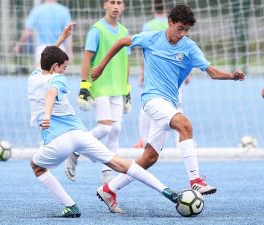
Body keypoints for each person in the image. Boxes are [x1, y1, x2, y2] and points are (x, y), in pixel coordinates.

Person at [91, 4, 245, 212]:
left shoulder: (189, 47)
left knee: (149, 158)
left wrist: (231, 76)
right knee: (185, 124)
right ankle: (195, 180)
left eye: (186, 30)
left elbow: (211, 72)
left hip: (168, 103)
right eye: (180, 28)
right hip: (152, 100)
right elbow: (121, 42)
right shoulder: (151, 38)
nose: (183, 34)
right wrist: (101, 65)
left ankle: (109, 189)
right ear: (170, 23)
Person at [28, 23, 181, 217]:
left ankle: (71, 206)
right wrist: (48, 115)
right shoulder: (58, 79)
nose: (65, 71)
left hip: (58, 141)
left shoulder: (34, 77)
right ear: (56, 67)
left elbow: (47, 62)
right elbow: (51, 94)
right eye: (64, 67)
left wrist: (62, 39)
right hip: (80, 134)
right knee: (120, 163)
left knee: (37, 167)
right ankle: (166, 191)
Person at [65, 0, 130, 184]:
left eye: (120, 3)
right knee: (105, 127)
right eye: (112, 2)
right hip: (100, 86)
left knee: (116, 129)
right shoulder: (97, 30)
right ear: (105, 5)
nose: (116, 6)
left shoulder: (125, 32)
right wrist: (84, 86)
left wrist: (127, 89)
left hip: (117, 87)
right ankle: (76, 150)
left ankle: (107, 173)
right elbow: (87, 59)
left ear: (123, 6)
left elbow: (125, 61)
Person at [133, 0, 190, 149]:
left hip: (155, 76)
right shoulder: (178, 24)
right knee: (177, 106)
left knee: (148, 107)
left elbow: (144, 51)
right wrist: (188, 75)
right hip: (175, 74)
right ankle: (181, 141)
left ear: (153, 7)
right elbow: (185, 53)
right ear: (166, 8)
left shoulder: (148, 26)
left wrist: (142, 73)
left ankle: (144, 140)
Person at [13, 0, 73, 67]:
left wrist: (18, 45)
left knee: (40, 76)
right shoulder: (64, 10)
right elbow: (68, 32)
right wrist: (69, 52)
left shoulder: (37, 10)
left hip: (43, 50)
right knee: (58, 76)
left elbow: (28, 32)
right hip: (60, 49)